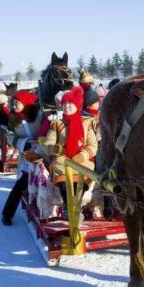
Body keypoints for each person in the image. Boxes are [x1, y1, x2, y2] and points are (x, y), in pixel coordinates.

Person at [41, 86, 98, 219]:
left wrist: (82, 155)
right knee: (64, 184)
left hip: (82, 162)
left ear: (77, 105)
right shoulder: (57, 124)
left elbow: (93, 145)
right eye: (64, 103)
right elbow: (47, 144)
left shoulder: (86, 123)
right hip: (62, 161)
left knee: (81, 184)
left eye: (70, 103)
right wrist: (54, 149)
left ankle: (76, 208)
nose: (67, 106)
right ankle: (68, 207)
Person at [1, 90, 41, 225]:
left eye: (17, 103)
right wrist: (23, 144)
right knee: (21, 184)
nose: (14, 106)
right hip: (26, 157)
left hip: (43, 155)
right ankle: (7, 214)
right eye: (13, 103)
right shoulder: (13, 118)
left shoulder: (39, 115)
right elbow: (10, 137)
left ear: (25, 102)